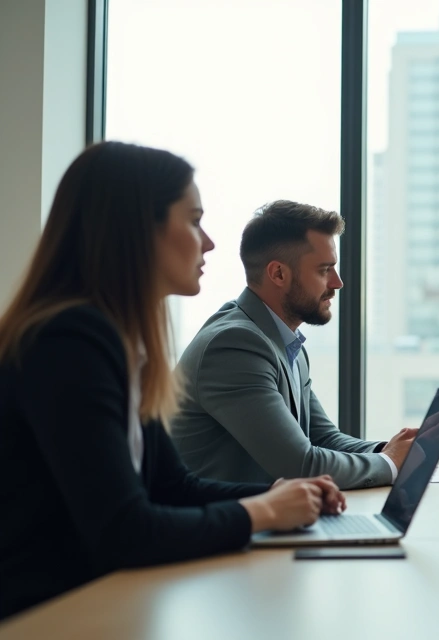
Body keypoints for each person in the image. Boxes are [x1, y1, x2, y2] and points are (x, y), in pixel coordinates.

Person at [0, 142, 345, 620]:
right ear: (137, 231)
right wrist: (264, 511)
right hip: (49, 615)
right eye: (193, 220)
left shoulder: (123, 342)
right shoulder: (69, 340)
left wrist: (288, 494)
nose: (208, 243)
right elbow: (124, 530)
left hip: (103, 603)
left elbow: (172, 486)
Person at [171, 201, 416, 490]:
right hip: (225, 529)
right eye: (324, 270)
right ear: (278, 274)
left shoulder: (283, 342)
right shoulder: (234, 346)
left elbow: (323, 439)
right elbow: (301, 465)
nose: (338, 283)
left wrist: (394, 451)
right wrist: (389, 462)